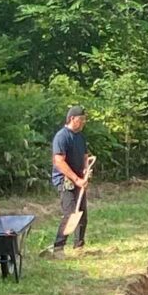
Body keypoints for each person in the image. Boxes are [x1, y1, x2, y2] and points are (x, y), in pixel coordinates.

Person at [50, 106, 93, 255]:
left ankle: (79, 247)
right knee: (70, 214)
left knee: (82, 214)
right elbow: (59, 161)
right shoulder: (62, 137)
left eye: (84, 120)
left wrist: (86, 171)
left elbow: (85, 157)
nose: (83, 123)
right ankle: (58, 248)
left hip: (79, 180)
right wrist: (75, 179)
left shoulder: (80, 137)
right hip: (66, 181)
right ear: (71, 119)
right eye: (80, 120)